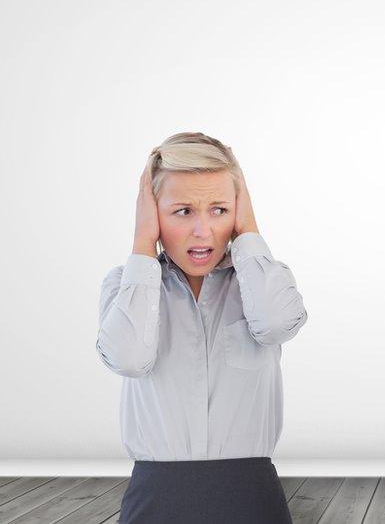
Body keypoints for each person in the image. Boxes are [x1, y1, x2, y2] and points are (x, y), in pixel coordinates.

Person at [96, 132, 308, 523]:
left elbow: (277, 324)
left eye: (219, 209)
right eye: (182, 211)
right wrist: (143, 243)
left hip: (251, 497)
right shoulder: (127, 285)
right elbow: (127, 358)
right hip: (156, 498)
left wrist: (248, 233)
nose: (202, 230)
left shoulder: (261, 281)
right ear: (153, 213)